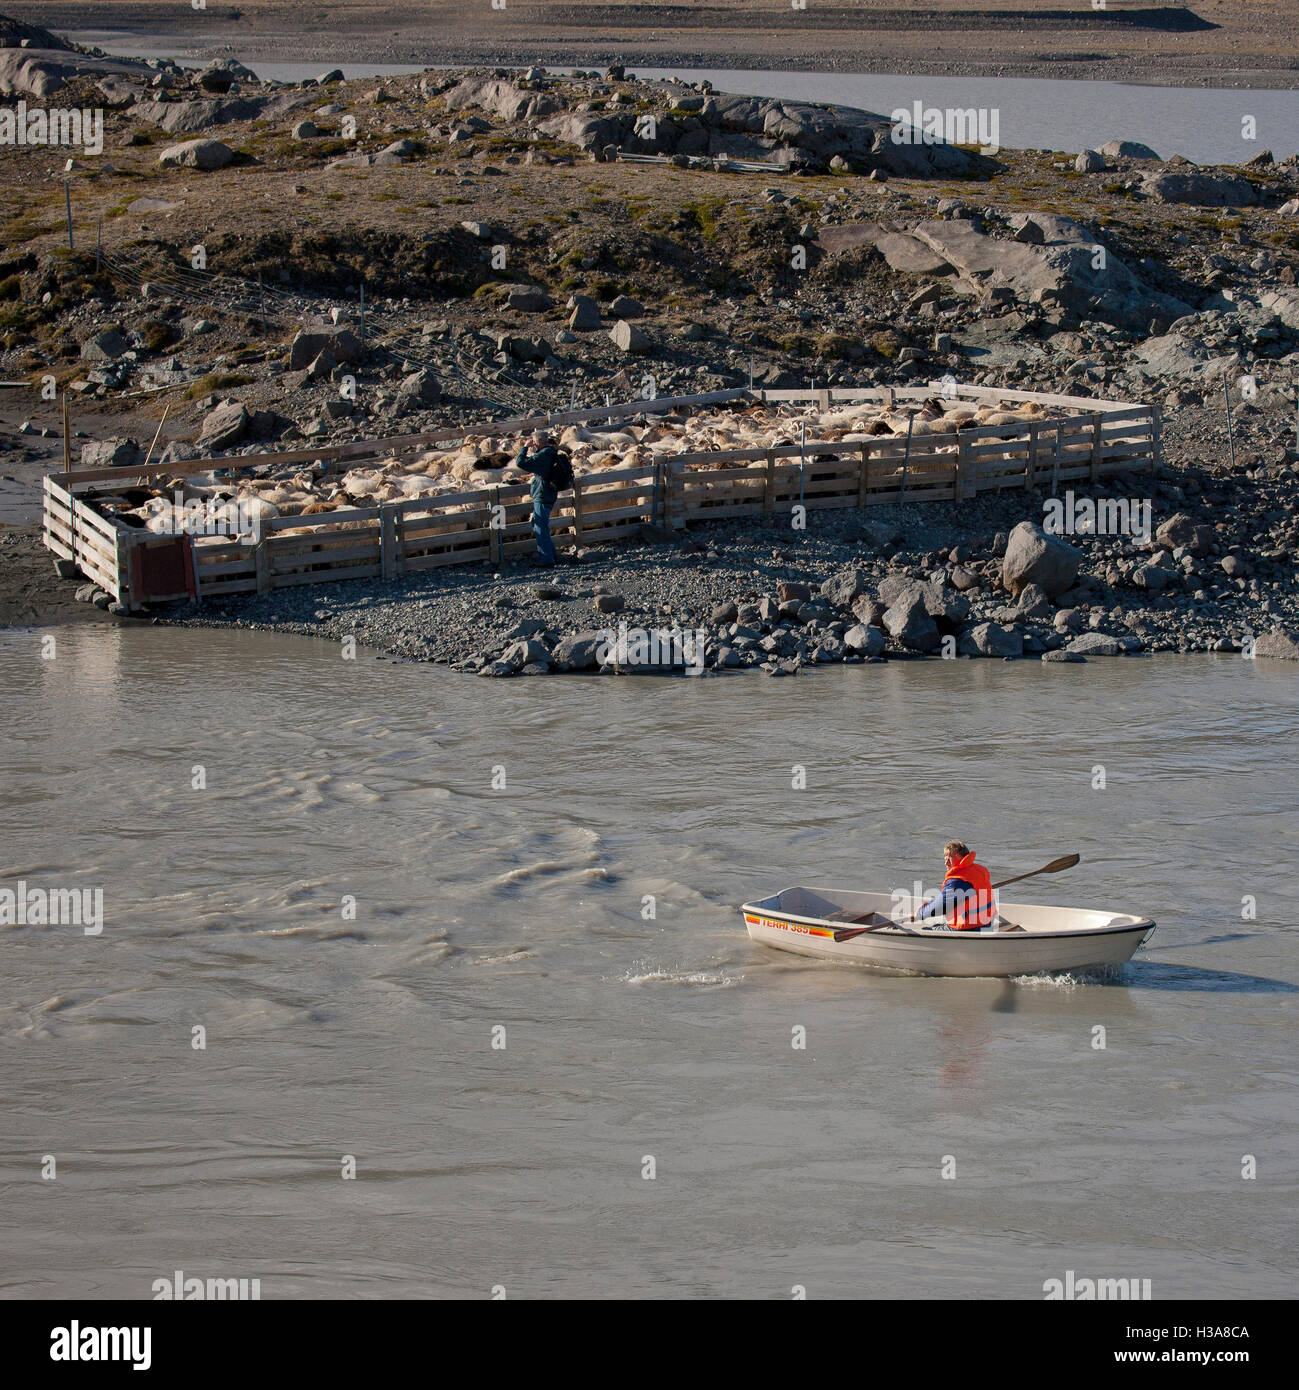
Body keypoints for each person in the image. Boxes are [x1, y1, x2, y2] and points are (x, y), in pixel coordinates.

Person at [914, 841, 1000, 932]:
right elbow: (946, 899)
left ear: (960, 858)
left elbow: (941, 906)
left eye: (949, 859)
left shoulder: (959, 879)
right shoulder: (979, 870)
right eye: (945, 859)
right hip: (987, 923)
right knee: (937, 925)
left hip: (969, 928)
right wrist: (931, 903)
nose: (946, 863)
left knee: (925, 930)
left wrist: (920, 913)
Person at [511, 430, 562, 567]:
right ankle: (552, 554)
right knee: (537, 523)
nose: (532, 443)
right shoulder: (551, 452)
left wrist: (525, 447)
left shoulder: (543, 455)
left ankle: (547, 559)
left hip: (543, 494)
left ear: (538, 442)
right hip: (548, 492)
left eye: (533, 441)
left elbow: (520, 462)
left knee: (540, 526)